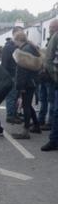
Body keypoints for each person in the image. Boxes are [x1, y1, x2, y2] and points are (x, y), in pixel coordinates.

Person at [11, 31, 42, 139]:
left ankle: (26, 131)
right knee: (27, 104)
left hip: (27, 82)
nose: (13, 41)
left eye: (14, 39)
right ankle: (36, 125)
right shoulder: (30, 47)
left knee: (26, 105)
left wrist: (21, 86)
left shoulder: (24, 50)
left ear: (18, 40)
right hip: (32, 81)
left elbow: (22, 70)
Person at [41, 19, 58, 151]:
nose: (51, 29)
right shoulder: (55, 37)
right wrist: (55, 76)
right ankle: (54, 141)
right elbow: (48, 59)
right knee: (56, 110)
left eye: (53, 27)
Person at [2, 27, 24, 124]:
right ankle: (10, 115)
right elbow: (5, 62)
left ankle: (14, 114)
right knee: (11, 96)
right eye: (20, 33)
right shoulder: (9, 46)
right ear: (14, 34)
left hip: (17, 74)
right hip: (11, 74)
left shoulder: (17, 46)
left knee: (15, 96)